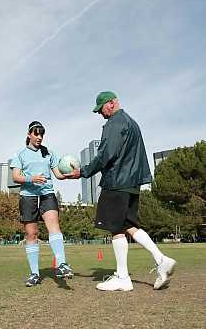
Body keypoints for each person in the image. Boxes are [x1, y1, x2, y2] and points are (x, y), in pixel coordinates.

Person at [65, 91, 176, 291]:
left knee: (115, 228)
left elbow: (106, 153)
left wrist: (83, 172)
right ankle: (161, 260)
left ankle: (123, 278)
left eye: (101, 109)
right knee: (129, 225)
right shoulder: (131, 122)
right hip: (132, 183)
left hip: (117, 181)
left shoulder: (115, 123)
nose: (101, 114)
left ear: (111, 103)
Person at [10, 121, 73, 287]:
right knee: (32, 235)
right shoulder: (20, 155)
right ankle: (34, 274)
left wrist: (71, 174)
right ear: (29, 135)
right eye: (36, 133)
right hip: (28, 196)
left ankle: (62, 264)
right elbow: (15, 177)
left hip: (47, 194)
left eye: (41, 134)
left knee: (54, 226)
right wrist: (32, 178)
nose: (39, 137)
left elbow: (58, 174)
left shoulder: (48, 153)